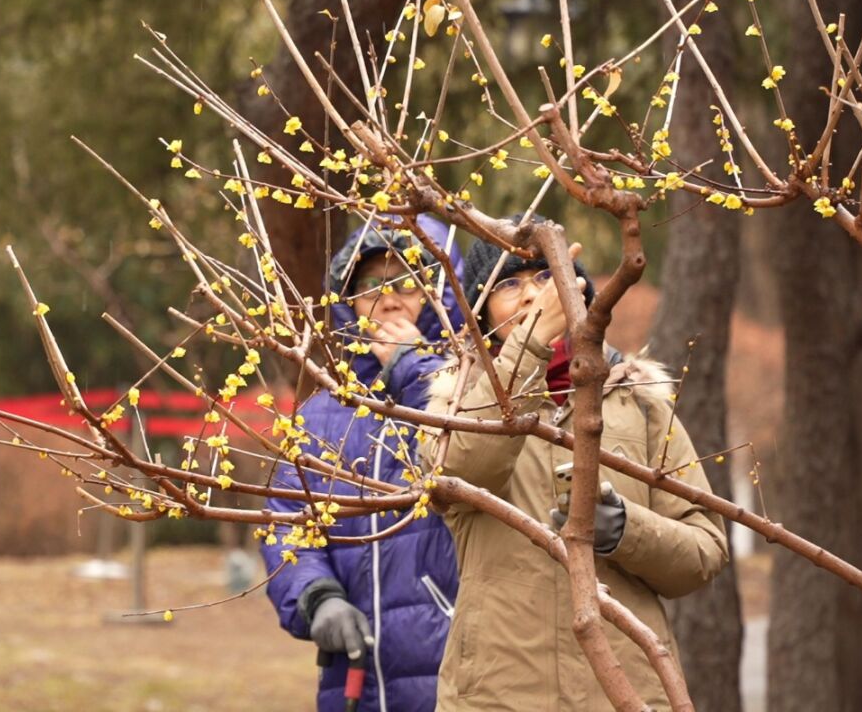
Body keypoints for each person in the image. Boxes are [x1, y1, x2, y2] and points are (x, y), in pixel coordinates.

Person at [419, 231, 730, 710]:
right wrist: (528, 345)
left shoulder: (638, 402)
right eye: (509, 284)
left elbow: (704, 551)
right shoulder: (451, 404)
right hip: (497, 695)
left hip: (623, 692)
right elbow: (463, 472)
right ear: (482, 312)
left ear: (579, 292)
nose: (533, 294)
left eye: (547, 276)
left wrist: (626, 529)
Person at [260, 214, 463, 712]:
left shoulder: (472, 397)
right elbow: (287, 522)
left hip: (461, 674)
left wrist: (414, 371)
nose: (389, 298)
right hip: (356, 679)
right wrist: (316, 596)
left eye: (408, 282)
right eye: (371, 285)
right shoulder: (323, 414)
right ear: (348, 303)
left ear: (444, 295)